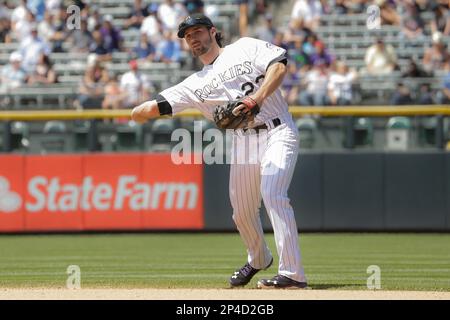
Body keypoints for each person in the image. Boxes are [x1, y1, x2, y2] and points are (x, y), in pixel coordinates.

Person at [131, 14, 308, 289]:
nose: (193, 38)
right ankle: (259, 259)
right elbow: (154, 106)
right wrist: (138, 112)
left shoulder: (244, 47)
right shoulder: (194, 83)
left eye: (198, 31)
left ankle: (293, 274)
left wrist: (256, 99)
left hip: (277, 129)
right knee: (242, 212)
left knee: (273, 193)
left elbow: (280, 66)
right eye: (188, 36)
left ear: (213, 32)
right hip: (244, 142)